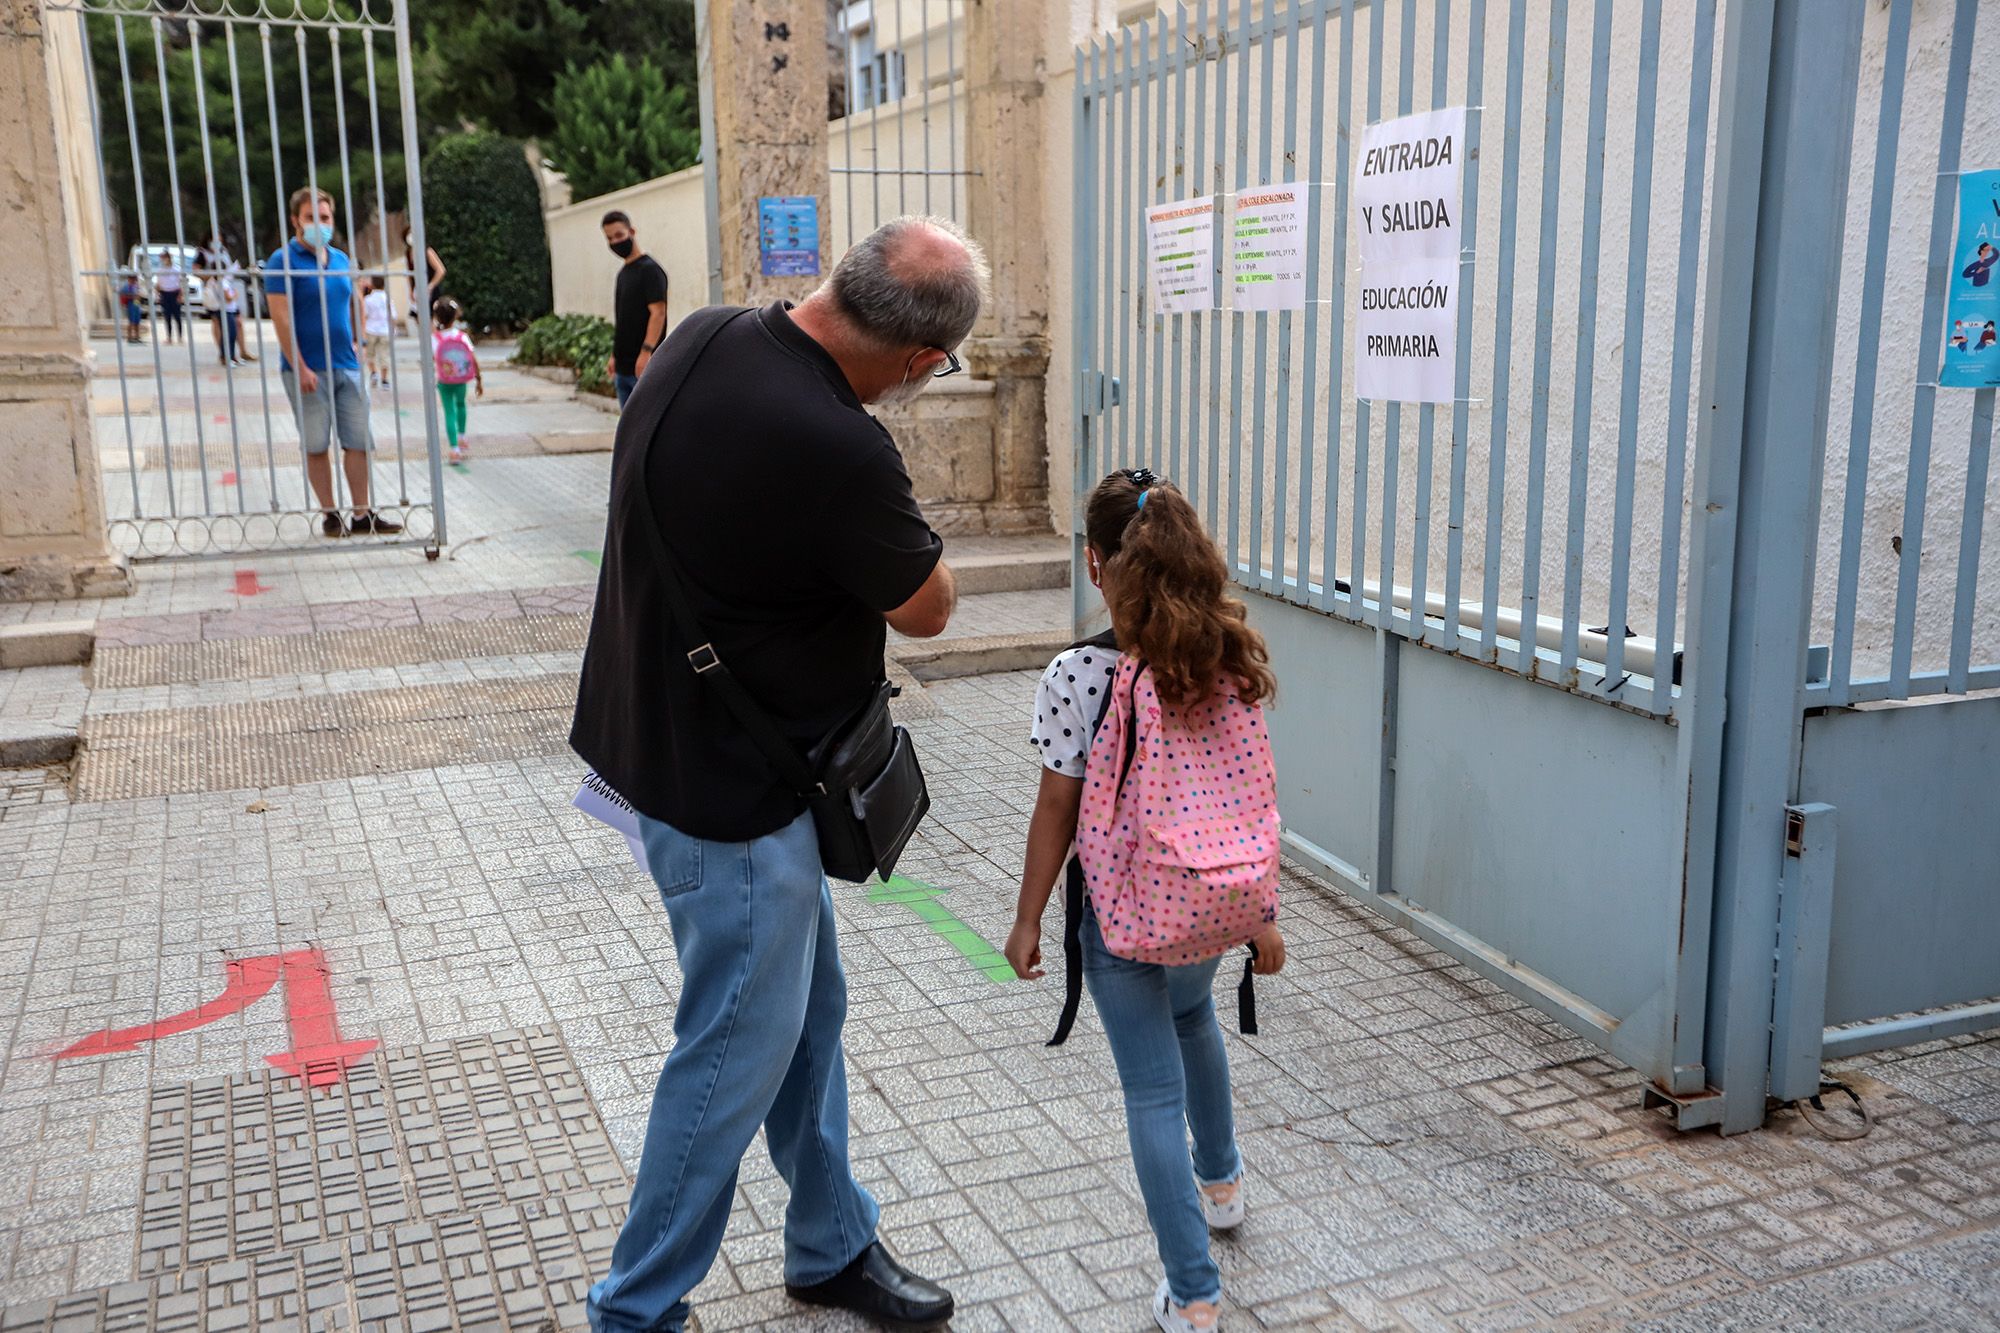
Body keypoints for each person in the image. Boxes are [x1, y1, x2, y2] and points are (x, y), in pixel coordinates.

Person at [569, 215, 981, 1333]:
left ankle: (830, 1240)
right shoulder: (840, 446)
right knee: (726, 1060)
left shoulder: (703, 335)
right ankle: (636, 1309)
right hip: (735, 800)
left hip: (669, 747)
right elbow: (929, 608)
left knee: (806, 1015)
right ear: (912, 361)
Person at [1004, 469, 1286, 1333]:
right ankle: (1224, 1181)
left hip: (1128, 917)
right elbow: (1248, 793)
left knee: (1151, 1095)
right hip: (1212, 904)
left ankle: (1194, 1293)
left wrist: (1026, 919)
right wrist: (1261, 912)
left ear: (1096, 564)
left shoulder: (1078, 674)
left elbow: (1058, 805)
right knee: (1195, 1022)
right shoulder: (1223, 654)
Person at [265, 186, 403, 538]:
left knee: (358, 441)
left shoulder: (341, 260)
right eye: (312, 218)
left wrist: (358, 343)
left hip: (347, 366)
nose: (319, 225)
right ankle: (330, 514)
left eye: (324, 218)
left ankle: (362, 513)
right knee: (316, 444)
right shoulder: (283, 261)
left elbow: (354, 301)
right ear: (296, 219)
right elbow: (280, 319)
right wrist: (299, 366)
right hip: (308, 369)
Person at [600, 210, 667, 409]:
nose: (615, 242)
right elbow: (623, 318)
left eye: (619, 235)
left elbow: (658, 313)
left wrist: (646, 353)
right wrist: (614, 355)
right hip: (623, 369)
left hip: (643, 368)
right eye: (609, 238)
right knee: (627, 432)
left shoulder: (650, 270)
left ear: (632, 231)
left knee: (644, 430)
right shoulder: (623, 274)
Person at [431, 297, 482, 463]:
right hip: (461, 378)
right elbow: (472, 358)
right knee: (461, 405)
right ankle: (462, 436)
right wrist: (478, 378)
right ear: (455, 317)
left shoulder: (435, 338)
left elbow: (433, 358)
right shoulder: (462, 337)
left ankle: (454, 450)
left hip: (444, 381)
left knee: (449, 412)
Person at [404, 227, 444, 329]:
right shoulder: (408, 254)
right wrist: (411, 290)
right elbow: (409, 273)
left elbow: (440, 270)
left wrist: (431, 285)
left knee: (431, 319)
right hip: (418, 290)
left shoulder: (427, 251)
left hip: (430, 290)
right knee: (418, 318)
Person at [361, 277, 394, 387]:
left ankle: (373, 372)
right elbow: (392, 315)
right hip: (385, 330)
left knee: (370, 354)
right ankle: (385, 379)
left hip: (371, 329)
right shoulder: (388, 299)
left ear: (372, 285)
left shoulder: (368, 299)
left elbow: (364, 315)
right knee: (384, 355)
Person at [153, 251, 184, 344]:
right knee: (167, 316)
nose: (163, 260)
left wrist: (180, 295)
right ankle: (169, 337)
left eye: (165, 258)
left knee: (177, 316)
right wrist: (157, 293)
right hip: (164, 294)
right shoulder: (160, 271)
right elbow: (159, 283)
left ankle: (180, 337)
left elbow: (181, 283)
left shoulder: (176, 269)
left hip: (174, 293)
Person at [118, 270, 144, 343]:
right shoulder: (127, 286)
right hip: (131, 305)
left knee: (137, 322)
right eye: (133, 278)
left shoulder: (136, 286)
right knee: (131, 321)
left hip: (137, 304)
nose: (134, 280)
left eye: (135, 278)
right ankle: (129, 337)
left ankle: (137, 336)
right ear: (129, 278)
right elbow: (122, 294)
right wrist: (132, 296)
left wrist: (139, 296)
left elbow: (139, 294)